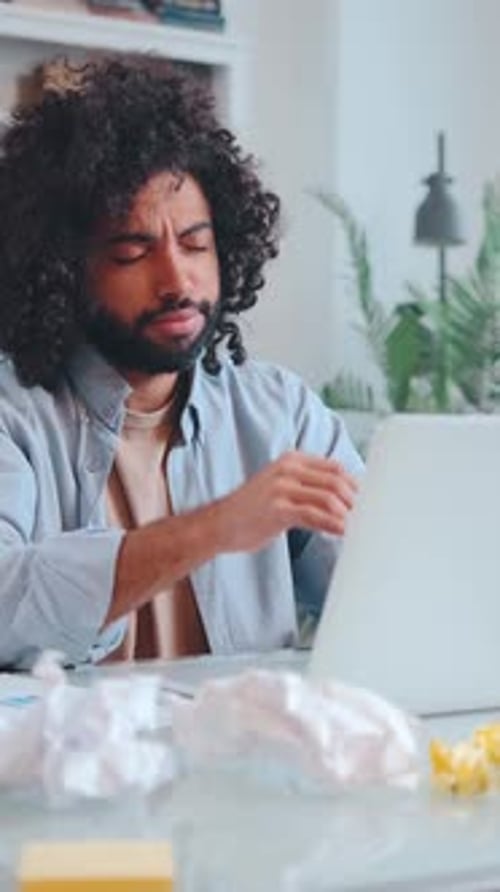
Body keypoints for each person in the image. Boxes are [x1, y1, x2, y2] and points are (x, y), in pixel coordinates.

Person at [0, 57, 362, 670]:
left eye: (196, 243)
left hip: (248, 757)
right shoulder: (16, 414)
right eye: (132, 252)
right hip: (64, 760)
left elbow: (382, 591)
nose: (177, 279)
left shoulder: (282, 415)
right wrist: (214, 528)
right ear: (62, 268)